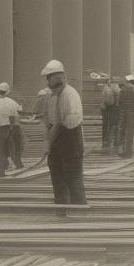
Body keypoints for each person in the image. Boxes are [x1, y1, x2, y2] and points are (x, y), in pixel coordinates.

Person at [41, 60, 88, 205]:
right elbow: (54, 123)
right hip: (62, 139)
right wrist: (49, 144)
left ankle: (78, 210)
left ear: (57, 78)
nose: (47, 82)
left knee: (72, 178)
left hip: (70, 139)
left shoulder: (69, 95)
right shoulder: (57, 96)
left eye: (49, 78)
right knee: (57, 175)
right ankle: (61, 207)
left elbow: (65, 124)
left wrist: (50, 143)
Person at [0, 82, 23, 176]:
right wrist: (11, 127)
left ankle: (2, 169)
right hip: (7, 128)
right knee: (7, 148)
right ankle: (2, 170)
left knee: (0, 150)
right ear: (7, 92)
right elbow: (16, 114)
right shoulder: (10, 101)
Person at [98, 75, 119, 155]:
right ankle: (108, 144)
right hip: (109, 109)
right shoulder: (109, 88)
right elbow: (110, 101)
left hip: (108, 109)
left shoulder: (107, 88)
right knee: (110, 127)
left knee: (108, 127)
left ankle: (107, 144)